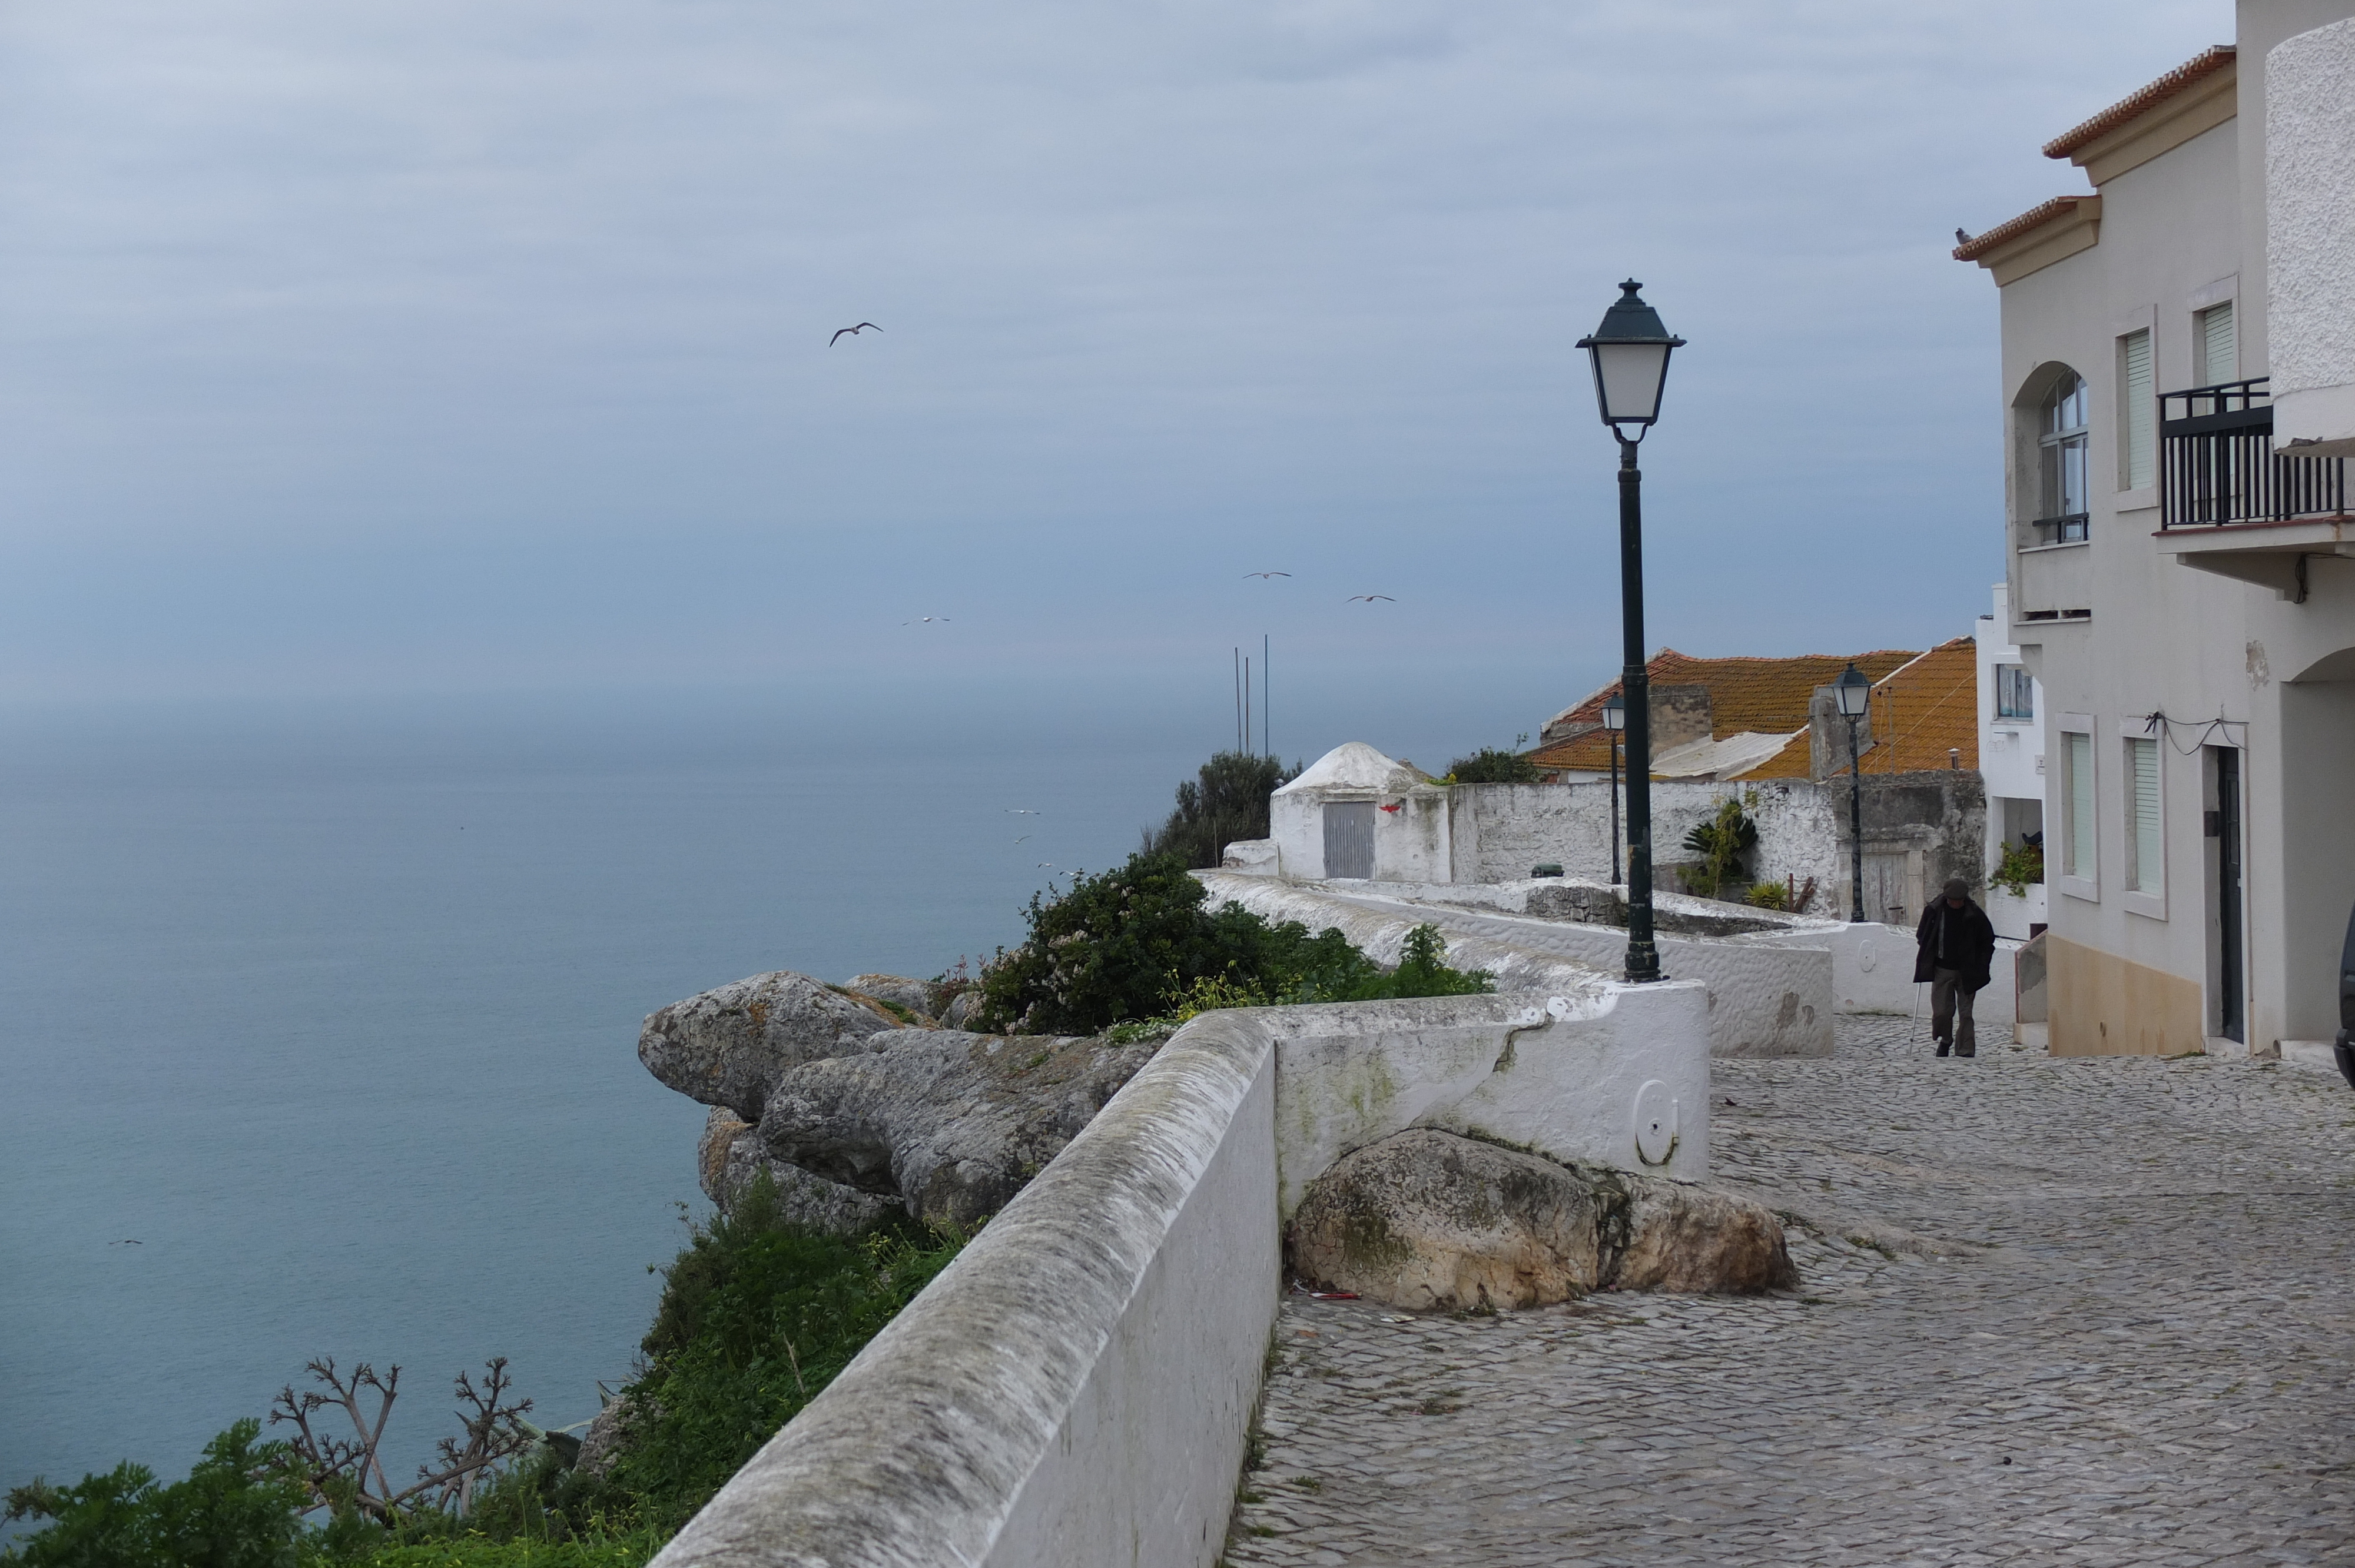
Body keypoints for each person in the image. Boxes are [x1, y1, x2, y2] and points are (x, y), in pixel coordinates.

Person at [1914, 876, 1997, 1057]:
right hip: (1942, 969)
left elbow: (1987, 940)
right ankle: (1945, 1040)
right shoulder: (1934, 911)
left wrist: (1982, 965)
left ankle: (1965, 1049)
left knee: (1966, 1013)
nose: (1956, 904)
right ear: (1946, 898)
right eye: (1952, 901)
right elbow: (1922, 936)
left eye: (1959, 901)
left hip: (1968, 971)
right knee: (1942, 1013)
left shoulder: (1975, 914)